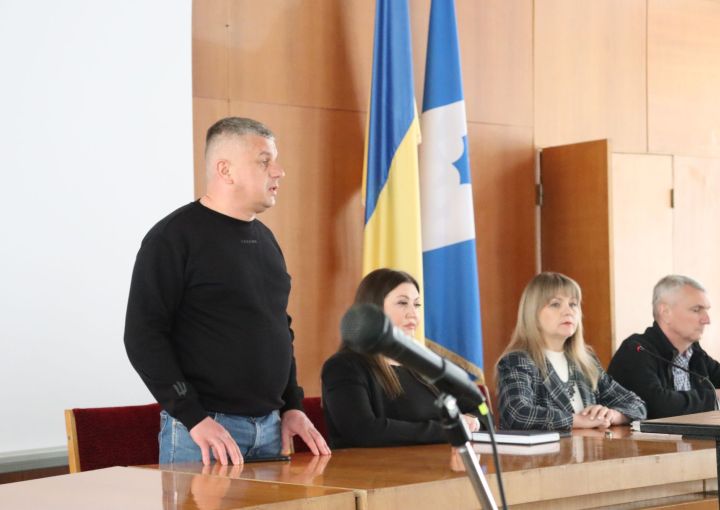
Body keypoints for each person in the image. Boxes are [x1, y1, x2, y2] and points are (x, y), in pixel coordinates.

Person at [124, 117, 330, 465]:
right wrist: (192, 416)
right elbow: (143, 336)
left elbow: (279, 329)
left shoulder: (266, 240)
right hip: (204, 432)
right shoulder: (172, 238)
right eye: (264, 161)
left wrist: (292, 405)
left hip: (270, 430)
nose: (279, 171)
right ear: (226, 170)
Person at [321, 268, 481, 448]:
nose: (413, 314)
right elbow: (363, 431)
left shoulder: (423, 363)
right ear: (374, 309)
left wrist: (472, 420)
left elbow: (481, 409)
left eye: (417, 305)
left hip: (435, 463)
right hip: (373, 465)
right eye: (403, 303)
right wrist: (449, 429)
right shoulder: (343, 366)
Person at [496, 272, 646, 431]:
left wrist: (612, 415)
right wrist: (579, 420)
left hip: (591, 446)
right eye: (555, 304)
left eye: (573, 304)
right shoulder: (518, 361)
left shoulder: (585, 361)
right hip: (550, 448)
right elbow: (517, 414)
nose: (568, 312)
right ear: (532, 313)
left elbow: (637, 405)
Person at [608, 275, 720, 419]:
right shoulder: (636, 350)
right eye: (696, 310)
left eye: (706, 310)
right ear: (666, 312)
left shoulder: (694, 353)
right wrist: (714, 397)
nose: (706, 320)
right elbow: (657, 406)